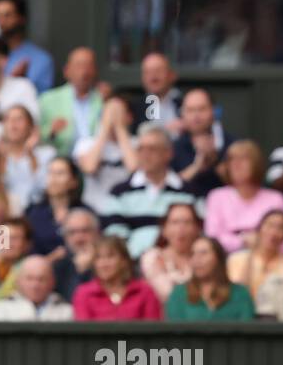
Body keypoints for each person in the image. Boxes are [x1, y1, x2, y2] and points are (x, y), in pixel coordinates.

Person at [103, 124, 195, 257]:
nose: (145, 155)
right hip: (133, 266)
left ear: (168, 153)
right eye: (140, 149)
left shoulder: (189, 192)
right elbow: (115, 237)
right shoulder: (119, 192)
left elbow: (197, 232)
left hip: (178, 262)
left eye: (152, 149)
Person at [203, 140, 283, 254]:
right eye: (232, 159)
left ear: (256, 163)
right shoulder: (216, 197)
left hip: (270, 261)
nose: (236, 164)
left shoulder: (276, 199)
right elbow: (212, 238)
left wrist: (266, 244)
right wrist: (242, 241)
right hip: (228, 263)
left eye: (243, 159)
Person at [71, 235, 162, 321]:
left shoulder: (144, 291)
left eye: (110, 256)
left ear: (124, 261)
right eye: (98, 258)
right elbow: (84, 333)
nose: (104, 264)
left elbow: (153, 331)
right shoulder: (84, 293)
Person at [139, 202, 199, 305]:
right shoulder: (152, 258)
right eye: (175, 222)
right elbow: (167, 294)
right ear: (164, 229)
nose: (181, 228)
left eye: (187, 222)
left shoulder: (204, 258)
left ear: (196, 228)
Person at [227, 208, 283, 301]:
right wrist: (251, 255)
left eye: (280, 228)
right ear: (259, 229)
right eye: (270, 225)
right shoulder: (236, 259)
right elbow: (238, 295)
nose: (273, 232)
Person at [0, 254, 74, 321]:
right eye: (29, 278)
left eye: (41, 279)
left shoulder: (67, 310)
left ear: (52, 282)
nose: (35, 285)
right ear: (18, 281)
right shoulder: (1, 308)